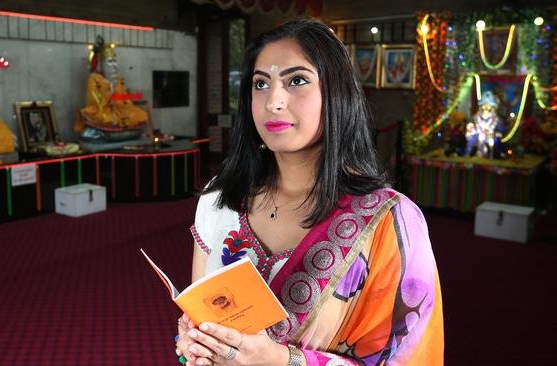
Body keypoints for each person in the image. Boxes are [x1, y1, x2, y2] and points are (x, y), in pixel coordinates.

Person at [175, 19, 443, 366]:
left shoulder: (388, 222)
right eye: (261, 83)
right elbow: (204, 318)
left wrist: (282, 360)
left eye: (297, 80)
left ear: (337, 93)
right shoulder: (220, 197)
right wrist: (192, 344)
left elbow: (409, 359)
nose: (273, 101)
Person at [75, 35, 148, 140]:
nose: (114, 65)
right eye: (110, 62)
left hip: (119, 110)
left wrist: (129, 101)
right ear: (101, 64)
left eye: (115, 61)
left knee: (140, 114)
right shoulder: (94, 78)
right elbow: (95, 102)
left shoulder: (117, 80)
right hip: (101, 110)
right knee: (108, 119)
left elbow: (124, 100)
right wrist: (111, 101)